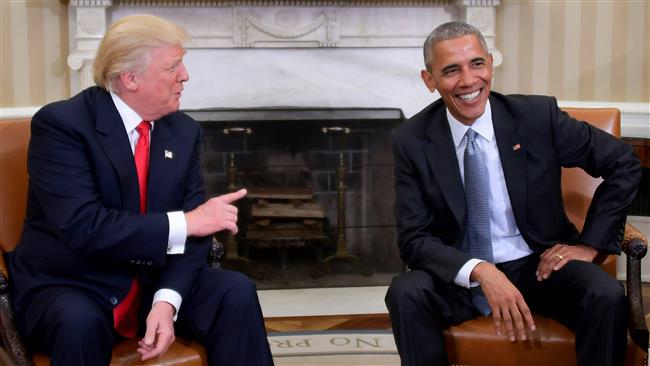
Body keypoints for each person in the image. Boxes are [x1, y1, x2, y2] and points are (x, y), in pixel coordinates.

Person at [6, 14, 274, 366]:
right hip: (73, 283)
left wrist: (167, 299)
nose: (185, 76)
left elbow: (197, 234)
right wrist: (187, 223)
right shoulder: (62, 126)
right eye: (173, 66)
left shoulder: (183, 132)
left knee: (234, 292)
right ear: (130, 78)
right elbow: (84, 226)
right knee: (79, 323)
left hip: (149, 280)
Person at [385, 21, 641, 366]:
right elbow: (413, 238)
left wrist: (589, 245)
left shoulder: (537, 117)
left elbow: (623, 163)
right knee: (405, 293)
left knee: (606, 295)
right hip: (464, 272)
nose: (468, 81)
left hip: (540, 265)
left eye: (476, 64)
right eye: (450, 70)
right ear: (429, 80)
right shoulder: (411, 140)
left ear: (490, 64)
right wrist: (482, 271)